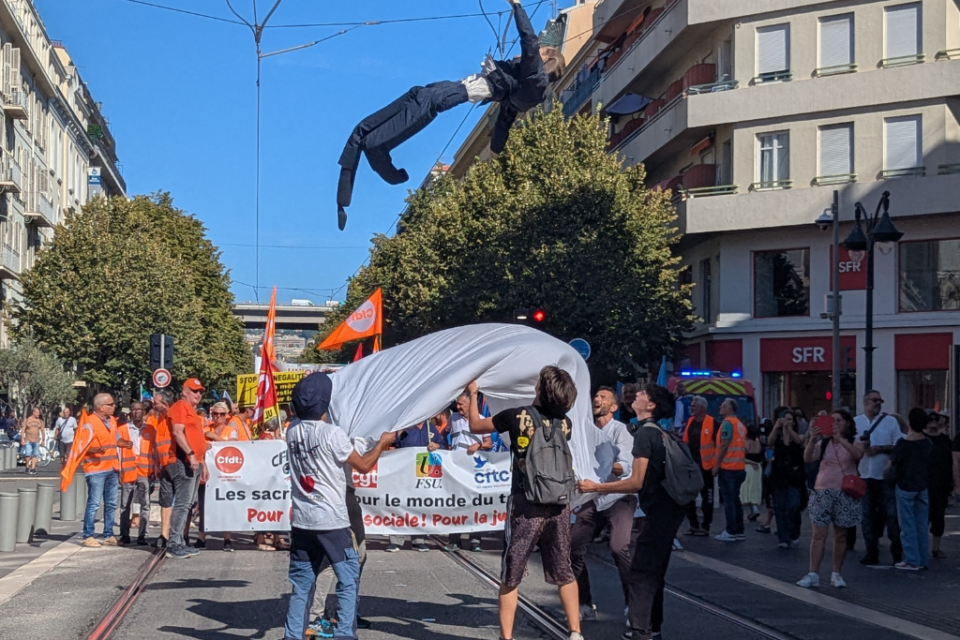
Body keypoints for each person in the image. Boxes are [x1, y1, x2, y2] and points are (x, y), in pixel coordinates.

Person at [335, 0, 565, 230]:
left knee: (403, 118)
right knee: (401, 104)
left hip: (450, 94)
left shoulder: (535, 80)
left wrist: (517, 7)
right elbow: (504, 122)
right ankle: (356, 177)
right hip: (447, 90)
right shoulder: (521, 87)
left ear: (546, 61)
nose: (532, 54)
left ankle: (383, 159)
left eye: (542, 52)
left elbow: (529, 42)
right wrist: (496, 152)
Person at [466, 366, 583, 640]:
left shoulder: (516, 416)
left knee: (512, 571)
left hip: (526, 501)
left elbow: (475, 425)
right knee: (563, 568)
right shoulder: (565, 423)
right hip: (559, 504)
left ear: (541, 390)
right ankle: (575, 632)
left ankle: (506, 637)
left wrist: (474, 394)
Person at [283, 373, 393, 640]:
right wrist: (382, 443)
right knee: (348, 577)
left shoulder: (292, 430)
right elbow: (364, 465)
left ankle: (292, 635)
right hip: (332, 520)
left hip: (302, 519)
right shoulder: (333, 434)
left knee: (301, 583)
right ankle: (345, 633)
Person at [579, 383, 688, 640]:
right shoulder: (655, 430)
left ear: (650, 405)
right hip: (669, 510)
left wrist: (599, 487)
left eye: (641, 394)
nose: (635, 395)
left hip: (659, 511)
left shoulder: (644, 434)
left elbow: (635, 481)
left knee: (641, 573)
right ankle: (654, 627)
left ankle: (642, 631)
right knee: (653, 571)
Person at [570, 387, 636, 623]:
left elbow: (626, 467)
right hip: (592, 497)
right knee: (571, 549)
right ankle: (585, 603)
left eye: (603, 398)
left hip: (618, 497)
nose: (597, 400)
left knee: (619, 548)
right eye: (595, 397)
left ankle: (634, 606)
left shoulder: (621, 431)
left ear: (614, 407)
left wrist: (602, 462)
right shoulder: (585, 432)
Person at [306, 435, 378, 637]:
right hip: (334, 496)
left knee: (359, 556)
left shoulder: (343, 430)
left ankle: (345, 611)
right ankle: (315, 616)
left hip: (345, 494)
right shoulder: (328, 433)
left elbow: (362, 447)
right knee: (331, 560)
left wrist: (378, 440)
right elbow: (363, 464)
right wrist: (381, 443)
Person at [797, 410, 863, 588]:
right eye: (832, 420)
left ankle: (836, 572)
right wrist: (812, 438)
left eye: (839, 420)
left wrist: (839, 437)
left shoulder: (853, 441)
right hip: (823, 490)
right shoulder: (823, 443)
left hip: (845, 491)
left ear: (847, 423)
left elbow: (857, 455)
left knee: (841, 535)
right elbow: (808, 457)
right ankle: (813, 573)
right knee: (819, 534)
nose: (835, 423)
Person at [60, 393, 129, 547]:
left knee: (111, 503)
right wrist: (97, 449)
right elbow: (82, 446)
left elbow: (115, 439)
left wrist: (123, 443)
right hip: (96, 469)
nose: (114, 406)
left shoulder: (111, 421)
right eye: (110, 404)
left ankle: (108, 534)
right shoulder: (89, 422)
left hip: (112, 468)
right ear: (100, 407)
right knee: (94, 503)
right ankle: (88, 535)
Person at [386, 417, 450, 553]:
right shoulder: (405, 426)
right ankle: (396, 540)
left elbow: (443, 446)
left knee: (420, 505)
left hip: (423, 474)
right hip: (404, 472)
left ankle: (419, 539)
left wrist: (437, 446)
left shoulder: (430, 428)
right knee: (400, 504)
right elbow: (391, 441)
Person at [855, 390, 904, 566]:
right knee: (867, 514)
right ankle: (871, 551)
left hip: (884, 476)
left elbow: (899, 445)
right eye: (875, 400)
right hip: (864, 474)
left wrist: (881, 448)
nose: (878, 403)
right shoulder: (856, 422)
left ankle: (897, 552)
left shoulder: (890, 421)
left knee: (892, 515)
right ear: (865, 402)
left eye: (880, 400)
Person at [165, 378, 209, 559]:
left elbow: (195, 437)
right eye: (194, 390)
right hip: (182, 460)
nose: (198, 394)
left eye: (199, 391)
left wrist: (202, 461)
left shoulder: (191, 410)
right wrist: (191, 454)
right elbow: (177, 432)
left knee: (188, 504)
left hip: (193, 461)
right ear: (184, 391)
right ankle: (173, 543)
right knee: (182, 504)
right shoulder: (180, 407)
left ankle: (180, 541)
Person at [444, 393, 492, 553]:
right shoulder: (454, 419)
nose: (458, 407)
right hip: (457, 469)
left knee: (475, 504)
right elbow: (445, 434)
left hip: (474, 470)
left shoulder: (481, 418)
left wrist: (478, 447)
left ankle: (475, 539)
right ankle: (454, 539)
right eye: (457, 404)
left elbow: (488, 443)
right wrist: (447, 449)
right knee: (456, 504)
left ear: (470, 404)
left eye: (461, 404)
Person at [889, 408, 933, 571]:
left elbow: (892, 463)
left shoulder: (903, 443)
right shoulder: (928, 443)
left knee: (907, 525)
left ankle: (911, 559)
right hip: (922, 485)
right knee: (921, 524)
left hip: (905, 485)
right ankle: (923, 559)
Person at [195, 402, 237, 551]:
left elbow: (233, 447)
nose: (218, 417)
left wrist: (214, 438)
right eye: (215, 414)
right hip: (207, 472)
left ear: (227, 416)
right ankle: (201, 537)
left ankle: (227, 539)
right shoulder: (205, 429)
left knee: (225, 505)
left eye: (222, 414)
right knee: (204, 503)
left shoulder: (231, 430)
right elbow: (198, 447)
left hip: (225, 474)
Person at [767, 409, 805, 549]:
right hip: (779, 475)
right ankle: (783, 538)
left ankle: (794, 532)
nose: (787, 422)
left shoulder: (798, 434)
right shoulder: (777, 435)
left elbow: (799, 441)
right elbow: (770, 442)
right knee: (779, 507)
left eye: (789, 419)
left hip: (794, 475)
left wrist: (789, 429)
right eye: (784, 419)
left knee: (793, 506)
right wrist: (776, 427)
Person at [713, 398, 748, 542]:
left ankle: (730, 531)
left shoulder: (727, 424)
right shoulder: (740, 424)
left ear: (730, 409)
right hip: (739, 467)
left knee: (729, 501)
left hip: (728, 468)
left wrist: (716, 465)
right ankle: (739, 530)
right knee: (735, 500)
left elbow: (724, 445)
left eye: (723, 405)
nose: (720, 407)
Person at [681, 396, 716, 536]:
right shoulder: (690, 421)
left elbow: (719, 445)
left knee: (707, 497)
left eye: (694, 406)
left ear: (702, 408)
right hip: (691, 465)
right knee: (689, 496)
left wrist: (716, 465)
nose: (691, 408)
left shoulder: (712, 422)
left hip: (706, 467)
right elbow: (685, 442)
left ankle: (705, 526)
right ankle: (693, 524)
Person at [119, 402, 150, 545]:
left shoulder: (150, 429)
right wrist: (119, 470)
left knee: (145, 504)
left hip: (144, 471)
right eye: (134, 409)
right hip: (128, 470)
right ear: (131, 412)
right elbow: (117, 451)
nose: (136, 411)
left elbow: (153, 451)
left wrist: (154, 470)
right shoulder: (123, 429)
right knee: (125, 504)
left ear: (144, 411)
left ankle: (142, 535)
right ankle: (124, 534)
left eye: (139, 409)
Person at [146, 391, 175, 548]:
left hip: (176, 464)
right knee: (165, 499)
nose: (153, 405)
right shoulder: (160, 419)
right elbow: (158, 444)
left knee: (182, 502)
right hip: (164, 466)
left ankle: (179, 534)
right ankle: (164, 534)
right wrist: (157, 463)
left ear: (165, 403)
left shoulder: (174, 417)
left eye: (156, 403)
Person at [924, 412, 953, 559]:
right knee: (922, 517)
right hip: (924, 483)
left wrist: (952, 483)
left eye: (935, 422)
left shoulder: (945, 441)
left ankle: (936, 548)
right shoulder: (921, 440)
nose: (932, 425)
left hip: (941, 484)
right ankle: (922, 547)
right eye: (929, 422)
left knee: (938, 517)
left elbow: (951, 462)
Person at [20, 408, 45, 474]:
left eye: (39, 412)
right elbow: (23, 430)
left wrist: (43, 440)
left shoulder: (40, 421)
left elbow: (42, 431)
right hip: (28, 439)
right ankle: (27, 467)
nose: (38, 414)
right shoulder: (27, 420)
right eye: (37, 412)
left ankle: (33, 468)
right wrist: (22, 439)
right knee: (28, 454)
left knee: (35, 454)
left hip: (36, 440)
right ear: (33, 412)